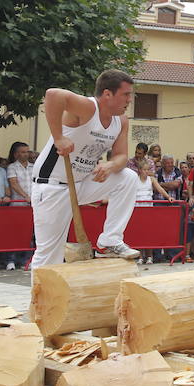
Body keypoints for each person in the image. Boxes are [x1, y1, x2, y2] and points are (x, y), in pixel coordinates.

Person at [30, 69, 143, 269]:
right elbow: (53, 95)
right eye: (126, 94)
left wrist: (110, 165)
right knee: (49, 254)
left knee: (128, 177)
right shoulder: (88, 108)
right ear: (107, 94)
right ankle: (38, 290)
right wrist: (58, 138)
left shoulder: (121, 121)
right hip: (52, 186)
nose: (129, 100)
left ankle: (110, 240)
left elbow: (122, 157)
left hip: (81, 183)